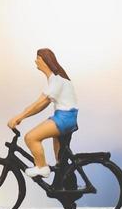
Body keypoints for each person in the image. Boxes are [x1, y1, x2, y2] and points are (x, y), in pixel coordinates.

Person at [7, 47, 78, 180]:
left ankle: (41, 168)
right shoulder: (57, 79)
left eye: (38, 58)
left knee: (30, 138)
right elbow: (43, 104)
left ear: (45, 61)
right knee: (60, 161)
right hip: (65, 117)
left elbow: (40, 103)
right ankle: (63, 185)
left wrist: (19, 117)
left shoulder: (57, 80)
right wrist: (22, 116)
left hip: (64, 118)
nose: (36, 61)